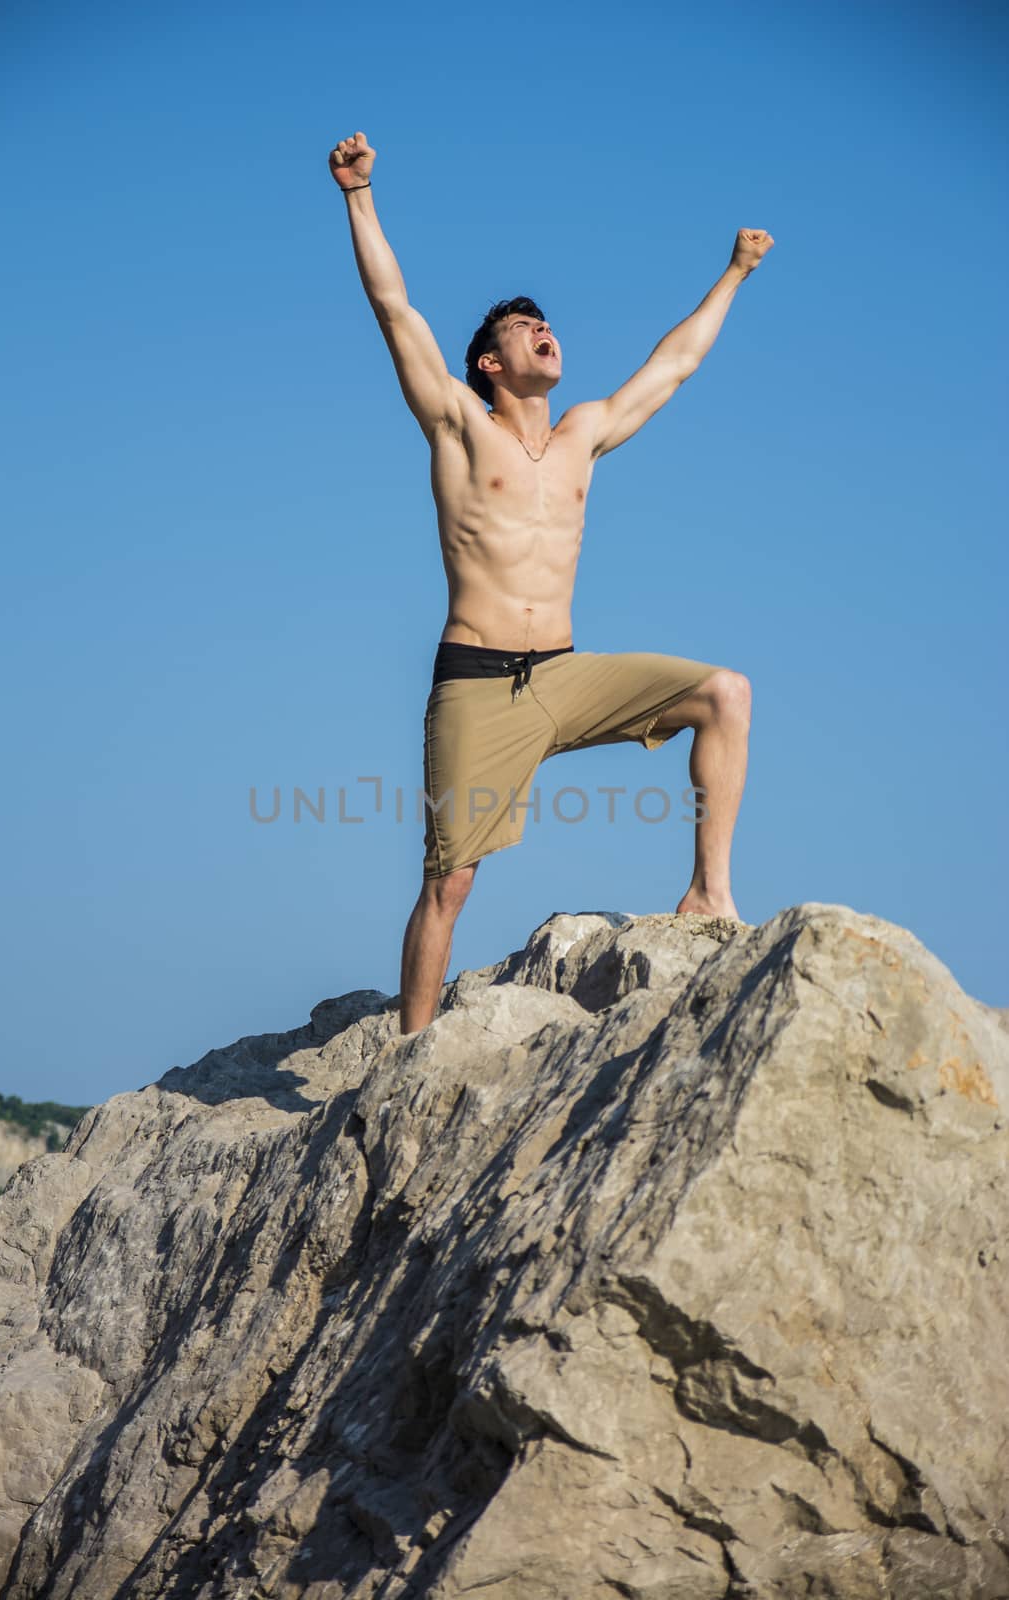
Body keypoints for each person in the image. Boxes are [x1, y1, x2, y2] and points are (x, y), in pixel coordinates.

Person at [327, 131, 774, 1035]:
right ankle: (408, 1053)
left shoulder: (582, 434)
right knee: (448, 883)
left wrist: (733, 274)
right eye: (519, 327)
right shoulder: (458, 424)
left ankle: (708, 893)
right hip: (478, 684)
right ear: (488, 364)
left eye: (545, 322)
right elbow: (392, 307)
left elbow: (674, 365)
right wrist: (358, 196)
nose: (544, 329)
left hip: (564, 675)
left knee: (724, 692)